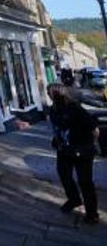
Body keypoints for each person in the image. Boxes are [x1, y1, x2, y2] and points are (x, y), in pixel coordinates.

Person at [48, 83, 100, 224]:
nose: (51, 95)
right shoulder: (53, 110)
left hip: (81, 150)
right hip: (64, 149)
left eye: (53, 92)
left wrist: (91, 144)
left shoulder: (74, 108)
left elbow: (94, 129)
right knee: (64, 175)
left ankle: (92, 213)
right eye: (49, 93)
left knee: (85, 182)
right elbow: (57, 127)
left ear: (62, 94)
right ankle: (74, 199)